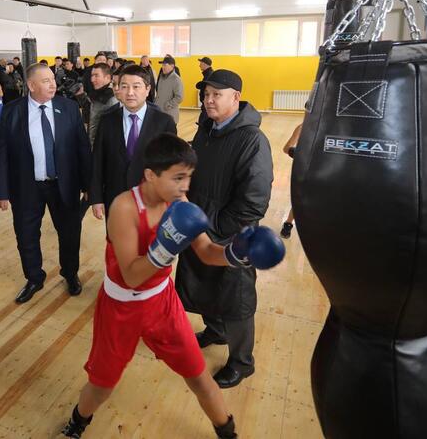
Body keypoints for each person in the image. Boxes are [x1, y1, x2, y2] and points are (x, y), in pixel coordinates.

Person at [61, 133, 283, 439]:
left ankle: (228, 432)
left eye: (189, 177)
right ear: (151, 175)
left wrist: (237, 254)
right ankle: (78, 420)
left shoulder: (179, 203)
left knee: (199, 376)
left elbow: (206, 252)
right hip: (120, 308)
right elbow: (132, 276)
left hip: (163, 304)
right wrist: (164, 248)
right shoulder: (124, 207)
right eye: (178, 178)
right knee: (102, 384)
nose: (185, 186)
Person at [176, 70, 274, 389]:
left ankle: (242, 362)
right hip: (199, 226)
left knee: (236, 299)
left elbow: (254, 201)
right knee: (204, 285)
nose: (208, 100)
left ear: (236, 97)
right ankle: (216, 331)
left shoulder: (252, 140)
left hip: (232, 235)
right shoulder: (206, 130)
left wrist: (218, 227)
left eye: (217, 94)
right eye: (206, 94)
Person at [0, 63, 91, 304]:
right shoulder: (12, 111)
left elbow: (82, 148)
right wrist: (1, 191)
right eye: (46, 81)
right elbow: (2, 153)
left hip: (64, 185)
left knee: (69, 233)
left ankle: (70, 273)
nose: (53, 84)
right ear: (31, 85)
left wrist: (89, 185)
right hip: (26, 187)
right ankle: (34, 278)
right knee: (26, 235)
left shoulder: (69, 107)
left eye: (53, 79)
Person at [89, 65, 176, 221]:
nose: (130, 92)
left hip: (152, 201)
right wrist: (96, 198)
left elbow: (171, 165)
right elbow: (98, 161)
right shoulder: (107, 120)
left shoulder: (164, 122)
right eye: (124, 86)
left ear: (148, 89)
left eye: (136, 86)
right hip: (115, 199)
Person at [87, 63, 118, 146]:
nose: (92, 79)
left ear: (107, 77)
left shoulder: (111, 99)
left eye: (96, 75)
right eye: (92, 76)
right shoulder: (98, 93)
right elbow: (93, 115)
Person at [280, 123, 303, 238]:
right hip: (306, 172)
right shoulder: (303, 127)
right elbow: (286, 149)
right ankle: (288, 224)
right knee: (299, 200)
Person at [154, 56, 184, 123]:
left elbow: (179, 97)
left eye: (165, 65)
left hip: (170, 114)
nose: (163, 67)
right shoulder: (161, 77)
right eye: (162, 65)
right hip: (160, 113)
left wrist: (168, 104)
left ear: (172, 66)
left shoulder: (176, 79)